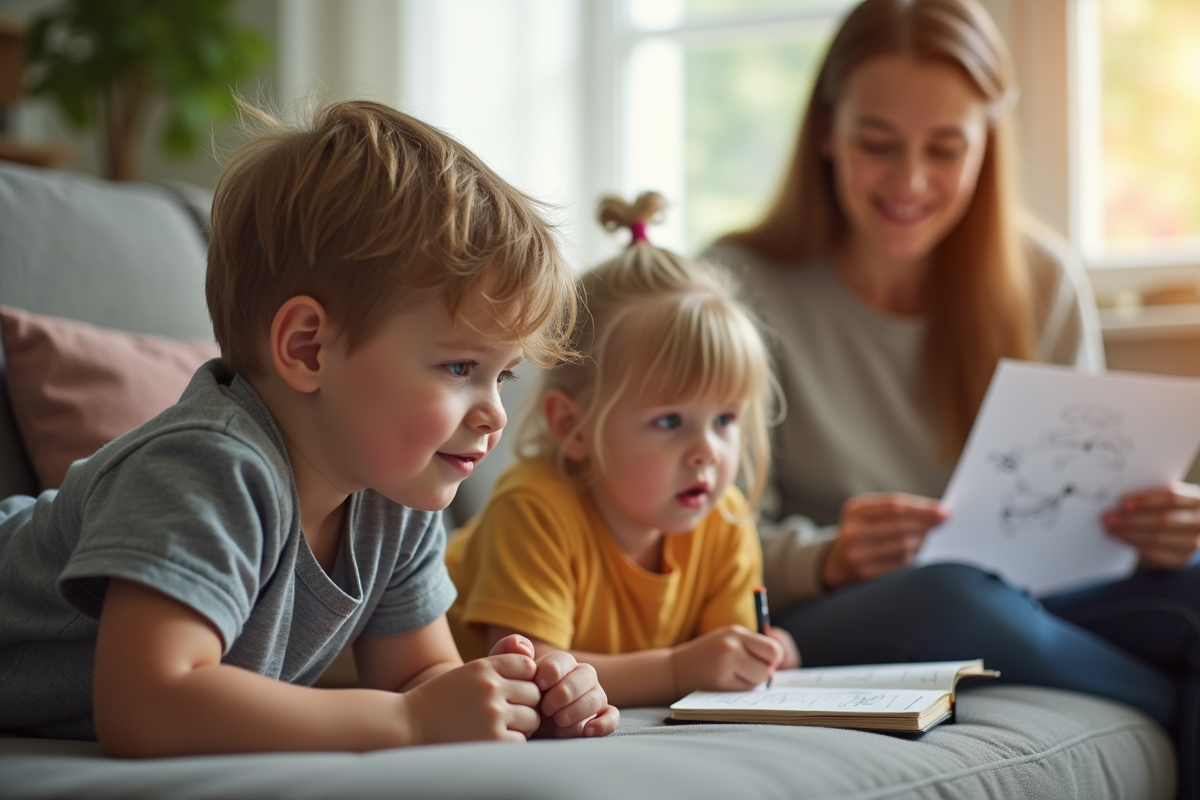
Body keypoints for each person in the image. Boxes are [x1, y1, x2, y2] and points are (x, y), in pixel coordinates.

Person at [0, 100, 619, 756]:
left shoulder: (395, 491)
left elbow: (416, 676)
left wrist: (509, 698)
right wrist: (412, 724)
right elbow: (146, 706)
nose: (494, 411)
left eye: (505, 376)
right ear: (307, 349)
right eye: (460, 365)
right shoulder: (206, 469)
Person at [703, 0, 1198, 795]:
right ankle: (1171, 706)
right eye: (877, 144)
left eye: (946, 148)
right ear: (826, 133)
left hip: (1039, 596)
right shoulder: (737, 285)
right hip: (839, 610)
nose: (910, 181)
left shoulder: (1043, 278)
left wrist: (1157, 526)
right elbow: (691, 534)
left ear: (988, 146)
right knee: (949, 591)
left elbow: (1094, 498)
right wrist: (828, 556)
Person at [445, 192, 800, 708]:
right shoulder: (535, 508)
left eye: (725, 419)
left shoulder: (724, 523)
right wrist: (681, 669)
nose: (708, 451)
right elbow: (535, 675)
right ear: (574, 427)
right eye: (670, 420)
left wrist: (754, 655)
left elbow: (721, 657)